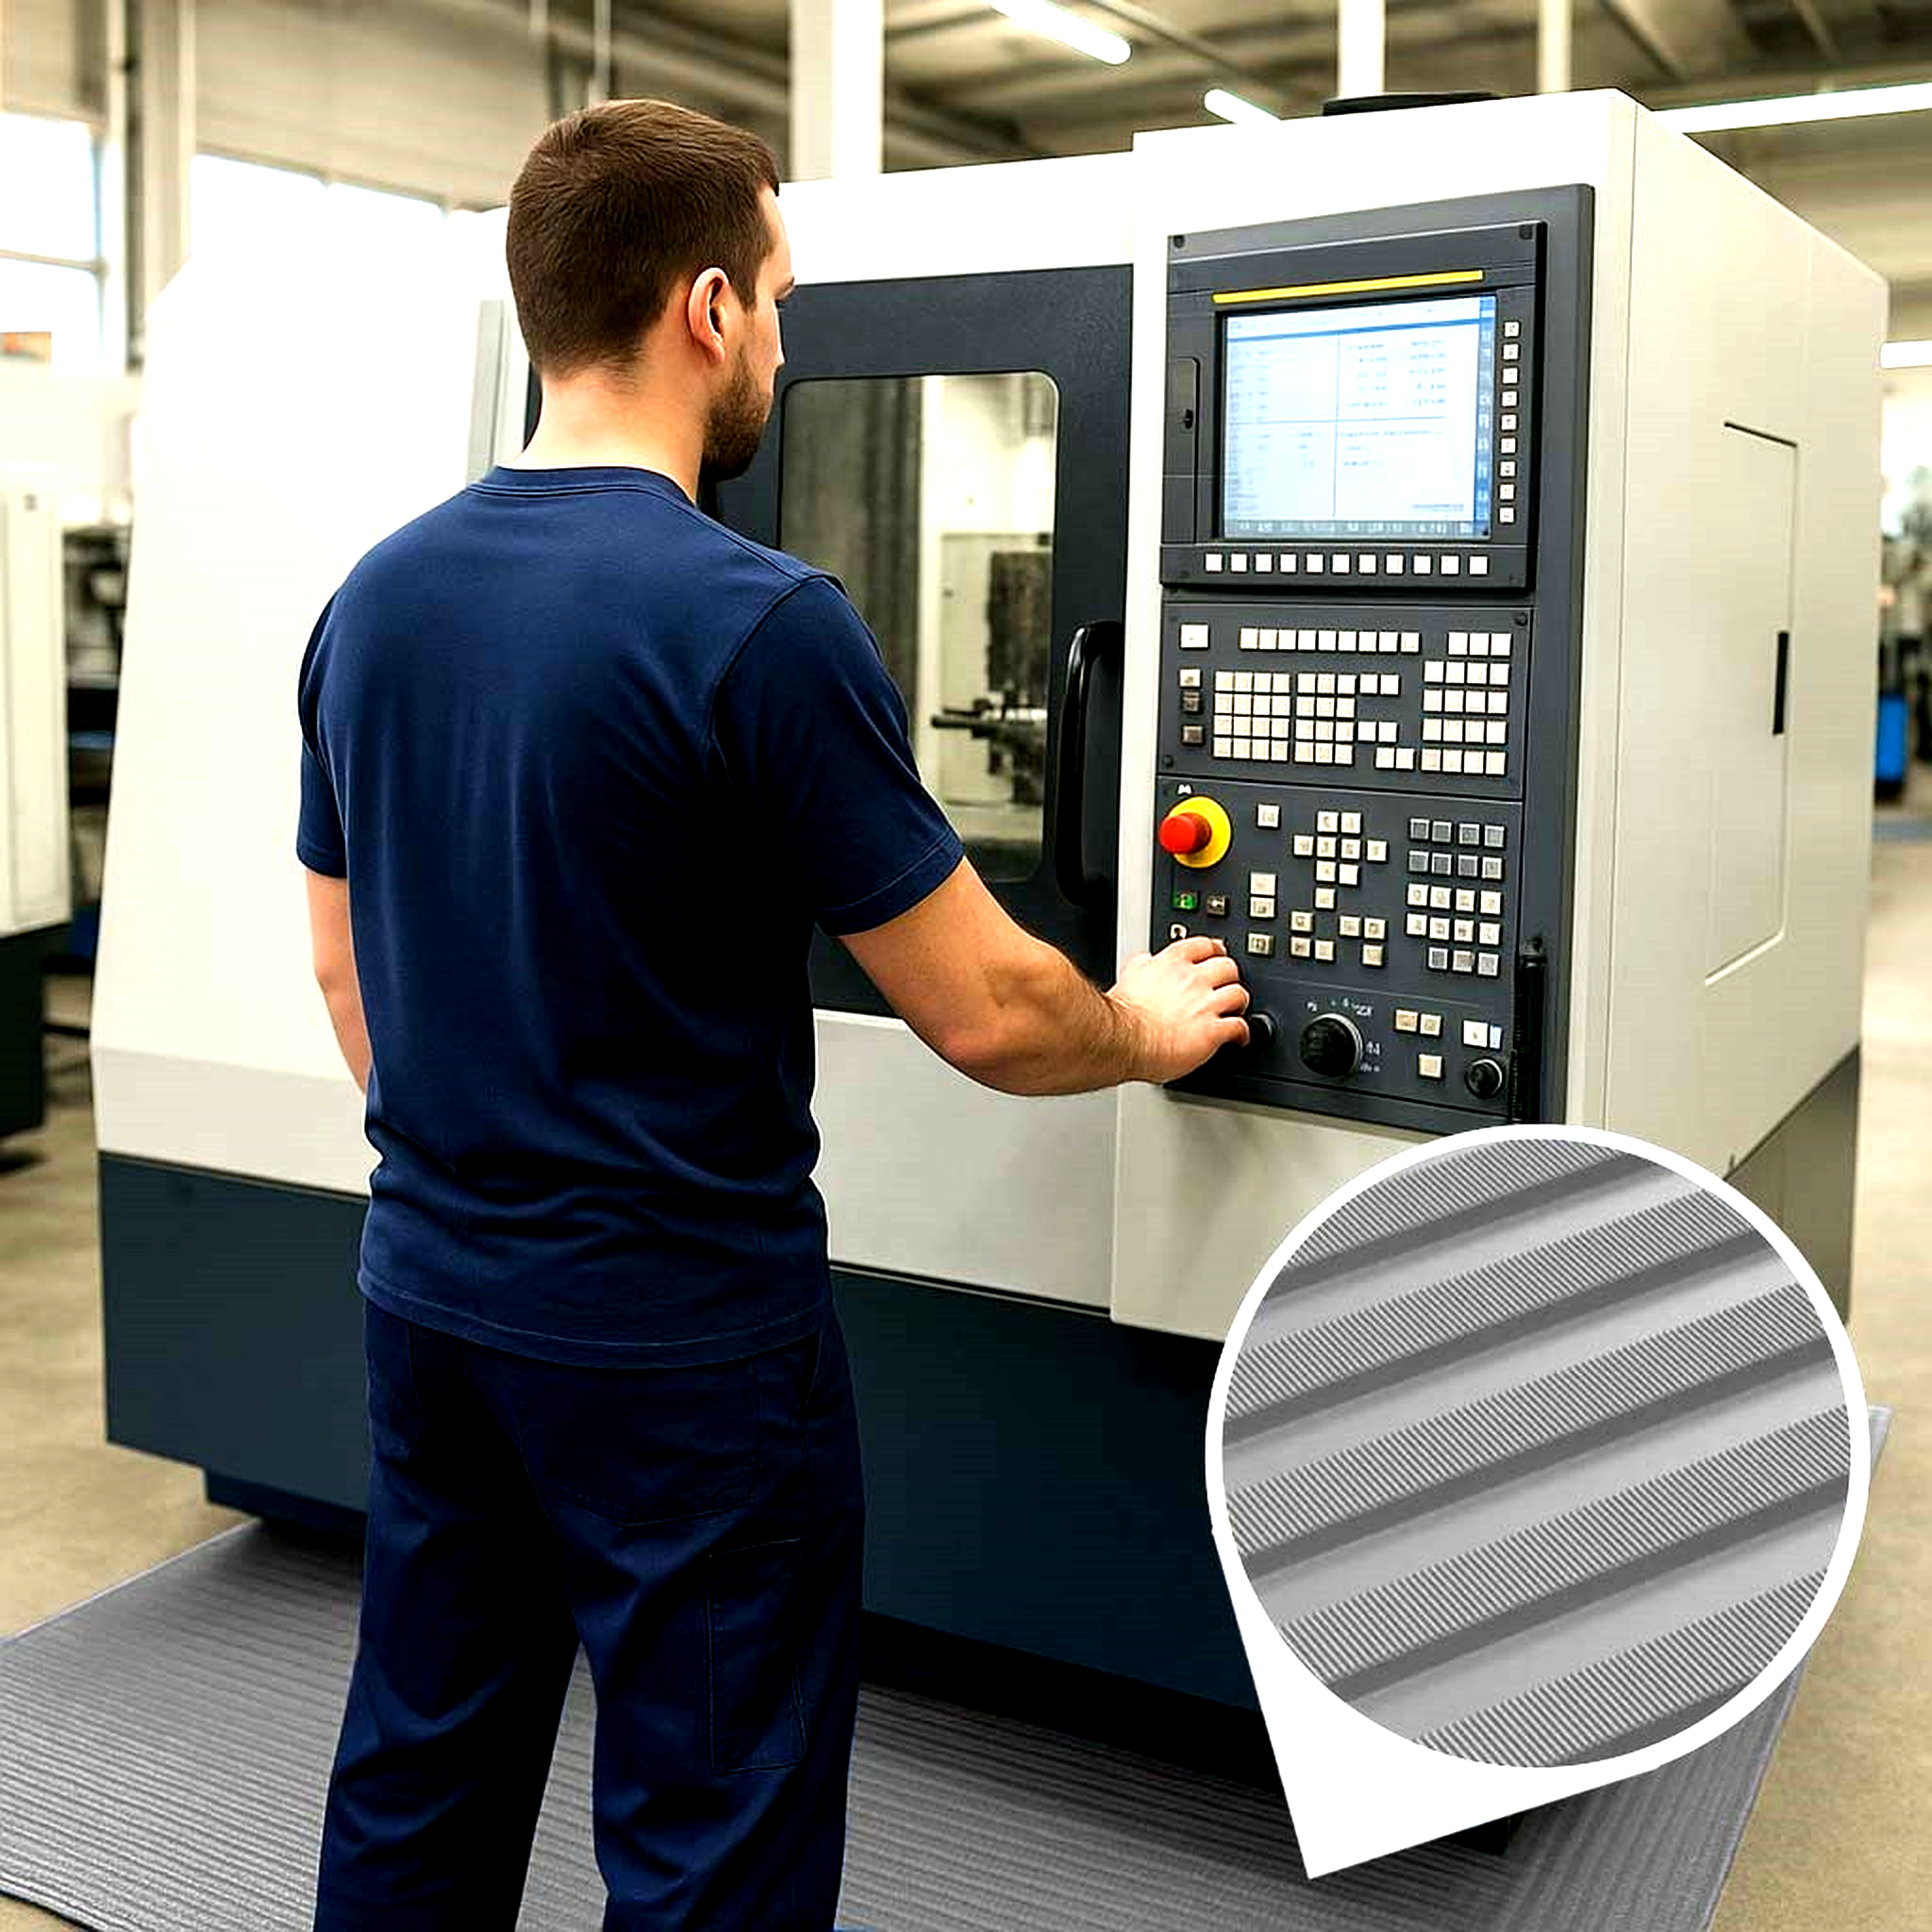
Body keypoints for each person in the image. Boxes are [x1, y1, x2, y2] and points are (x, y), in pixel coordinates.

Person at [297, 97, 1248, 1932]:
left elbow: (347, 970)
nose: (788, 348)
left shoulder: (373, 602)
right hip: (682, 1352)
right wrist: (1142, 1021)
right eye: (785, 303)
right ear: (708, 306)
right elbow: (985, 1009)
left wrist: (489, 1175)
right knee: (707, 1817)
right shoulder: (759, 625)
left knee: (421, 1762)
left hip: (431, 1298)